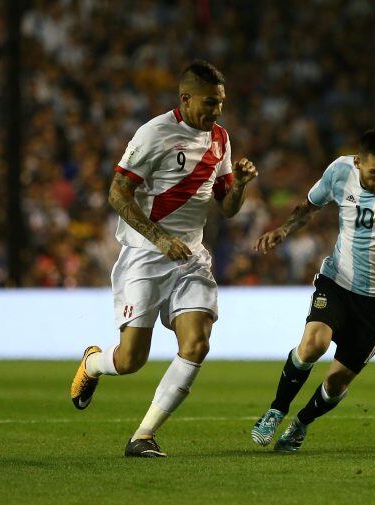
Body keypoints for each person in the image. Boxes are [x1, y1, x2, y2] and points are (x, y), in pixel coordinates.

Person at [69, 60, 258, 458]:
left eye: (221, 103)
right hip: (144, 256)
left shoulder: (220, 138)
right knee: (130, 359)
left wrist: (238, 186)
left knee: (197, 343)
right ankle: (94, 364)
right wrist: (158, 237)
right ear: (185, 99)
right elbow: (117, 194)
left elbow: (226, 208)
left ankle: (143, 435)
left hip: (191, 257)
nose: (216, 112)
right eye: (209, 103)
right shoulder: (154, 133)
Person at [250, 129, 375, 452]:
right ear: (358, 162)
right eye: (374, 173)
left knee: (336, 381)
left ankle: (301, 424)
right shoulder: (340, 171)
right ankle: (276, 410)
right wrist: (283, 230)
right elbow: (309, 207)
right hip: (338, 281)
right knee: (313, 344)